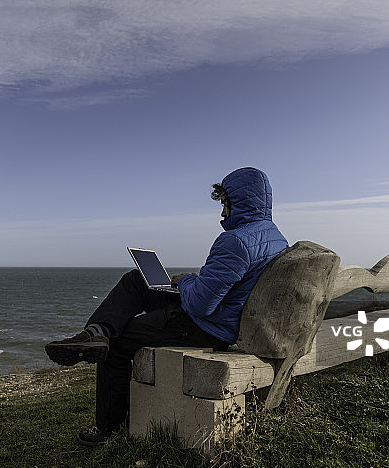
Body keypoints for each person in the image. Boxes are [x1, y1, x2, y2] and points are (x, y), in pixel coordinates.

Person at [44, 167, 288, 446]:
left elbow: (200, 305)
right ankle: (95, 332)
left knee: (120, 340)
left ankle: (108, 426)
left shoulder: (235, 241)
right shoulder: (273, 236)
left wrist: (185, 282)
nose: (222, 213)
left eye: (225, 204)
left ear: (240, 201)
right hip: (223, 316)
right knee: (137, 280)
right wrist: (197, 282)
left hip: (205, 326)